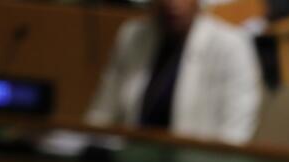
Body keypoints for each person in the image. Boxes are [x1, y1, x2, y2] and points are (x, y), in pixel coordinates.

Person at [84, 0, 262, 144]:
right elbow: (101, 114)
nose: (172, 3)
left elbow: (235, 135)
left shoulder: (232, 45)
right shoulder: (132, 35)